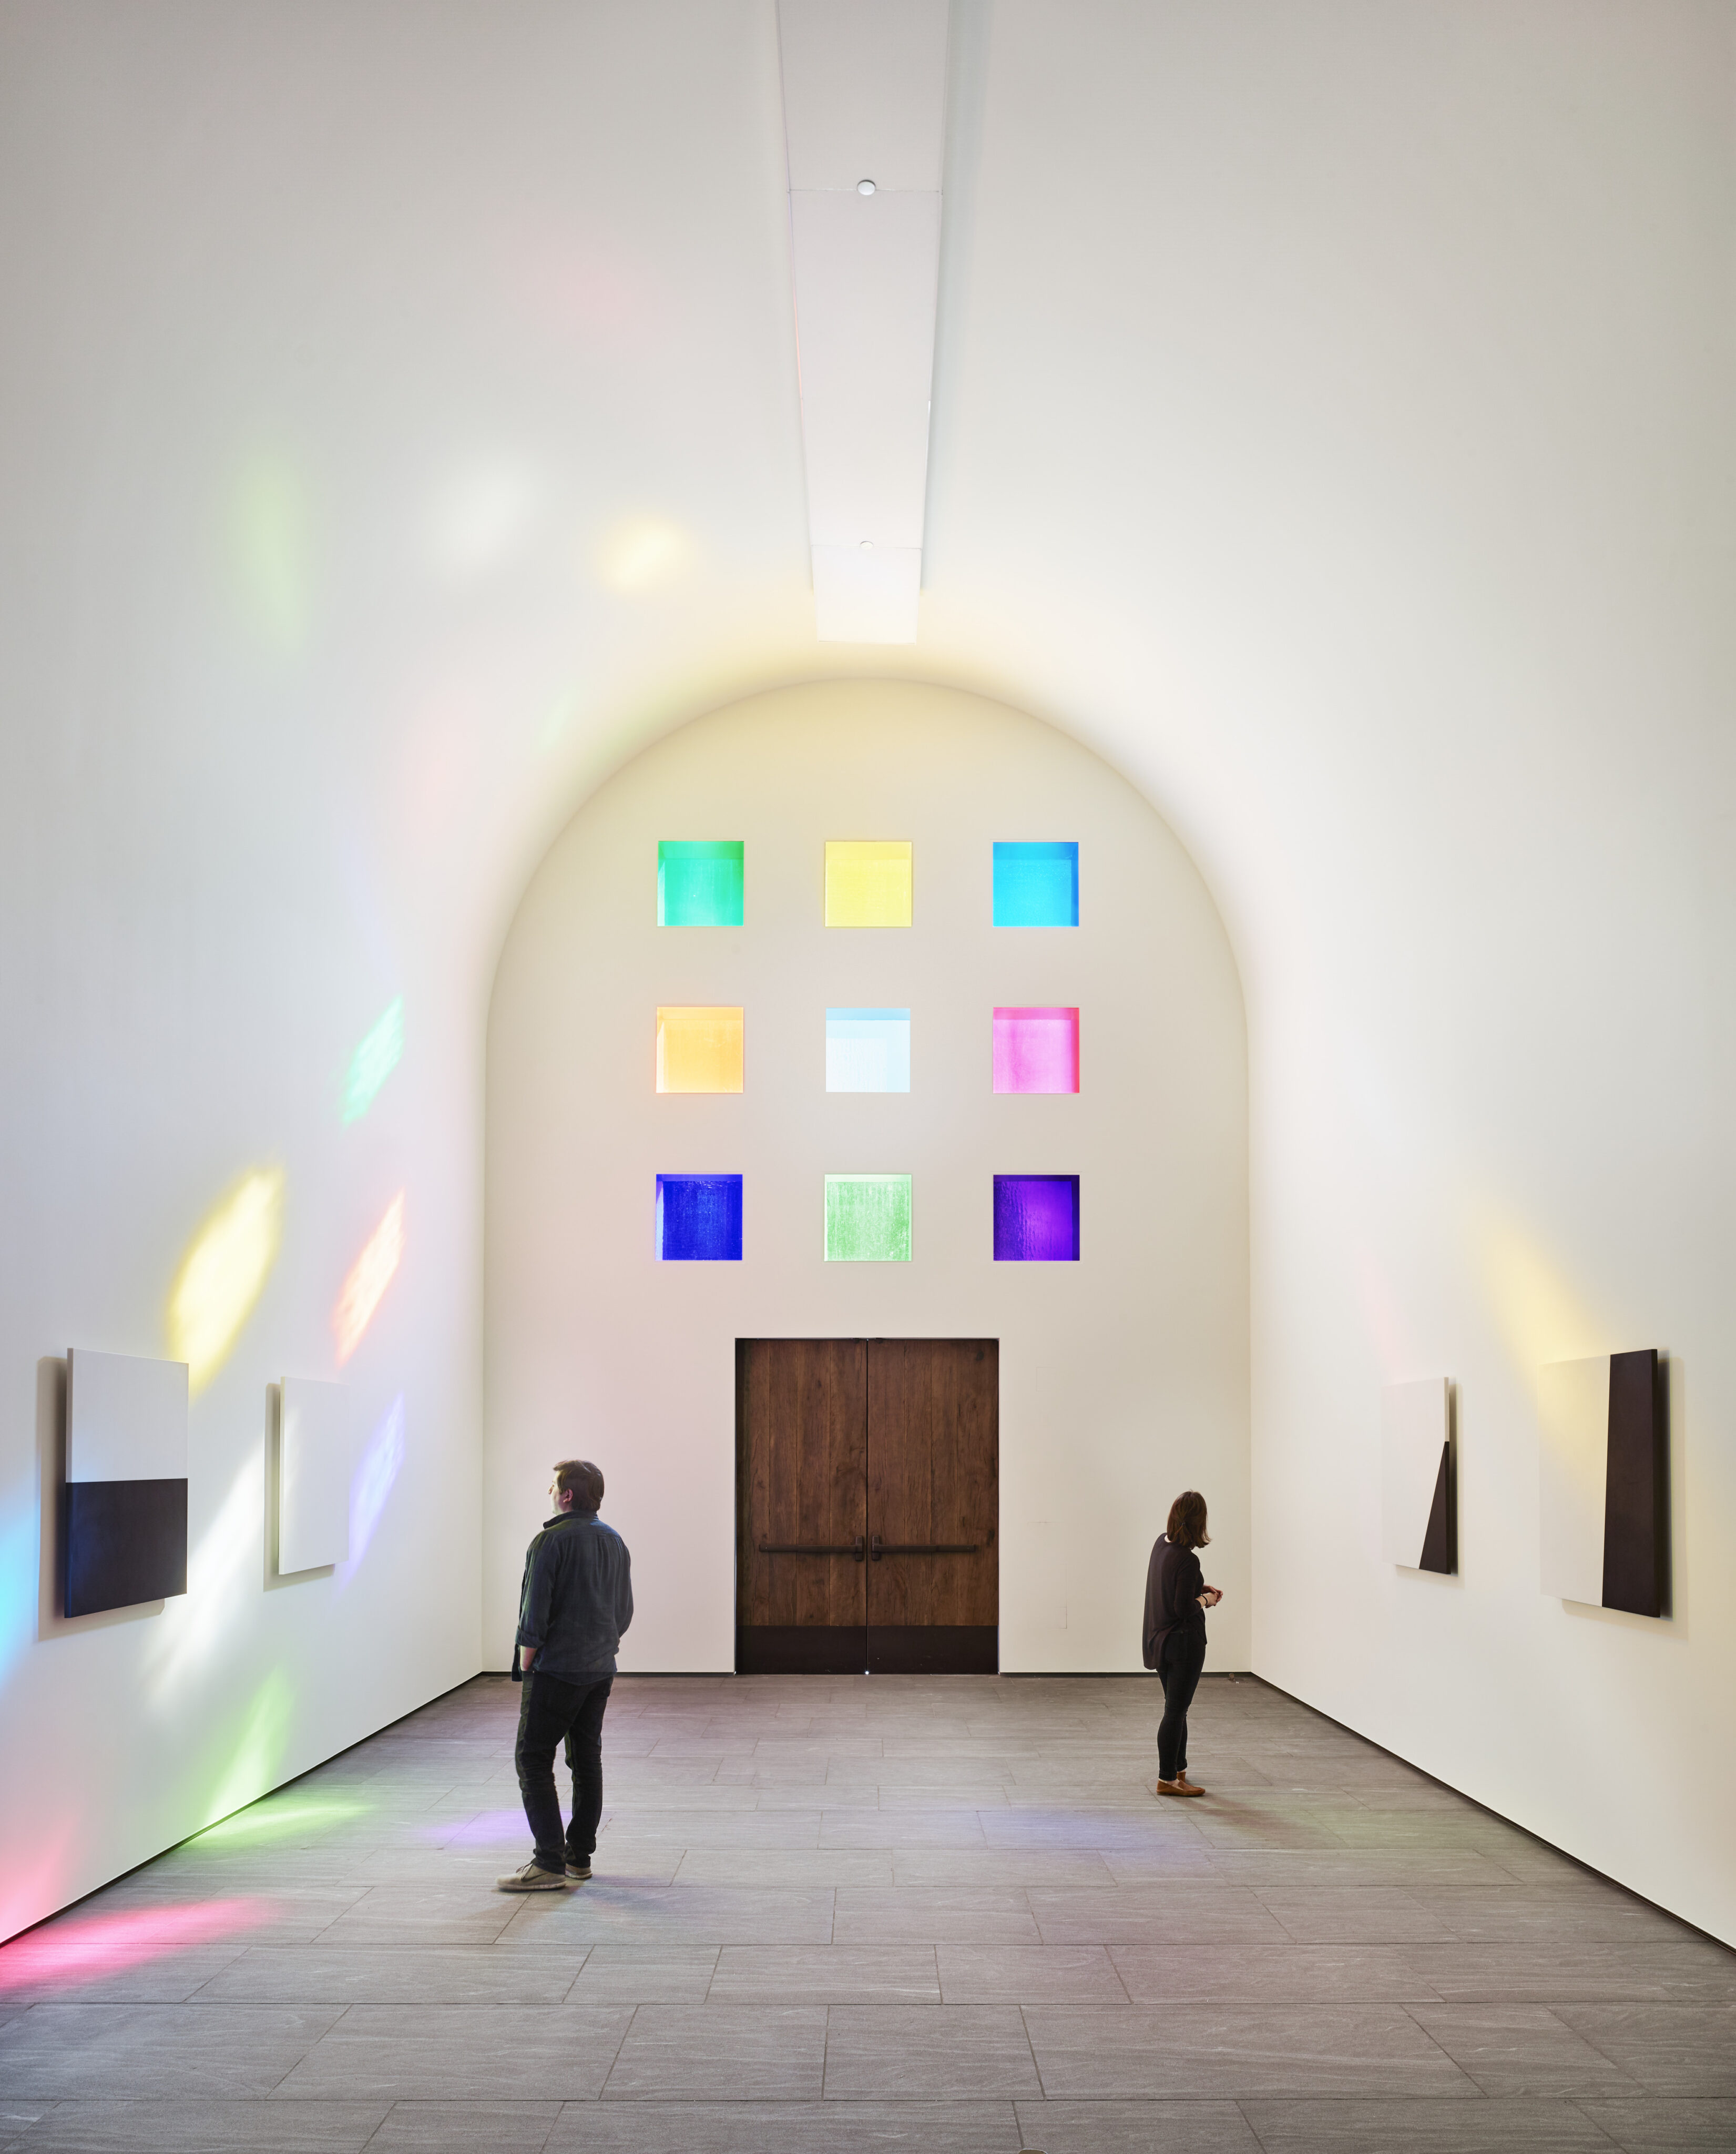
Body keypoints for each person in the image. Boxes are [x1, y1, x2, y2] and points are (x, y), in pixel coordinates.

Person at [497, 1457, 634, 1892]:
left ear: (567, 1494)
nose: (551, 1492)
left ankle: (548, 1863)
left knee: (533, 1759)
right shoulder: (614, 1541)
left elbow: (533, 1614)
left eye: (553, 1486)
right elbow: (624, 1613)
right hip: (599, 1669)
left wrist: (525, 1662)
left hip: (556, 1669)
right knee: (586, 1760)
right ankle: (579, 1858)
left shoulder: (548, 1543)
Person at [1141, 1489, 1222, 1798]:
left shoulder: (1161, 1544)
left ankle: (1178, 1769)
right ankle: (1167, 1779)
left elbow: (1169, 1583)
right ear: (1198, 1523)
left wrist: (1198, 1586)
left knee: (1177, 1709)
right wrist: (1206, 1599)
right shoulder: (1189, 1559)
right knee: (1176, 1711)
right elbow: (1183, 1608)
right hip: (1183, 1645)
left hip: (1160, 1641)